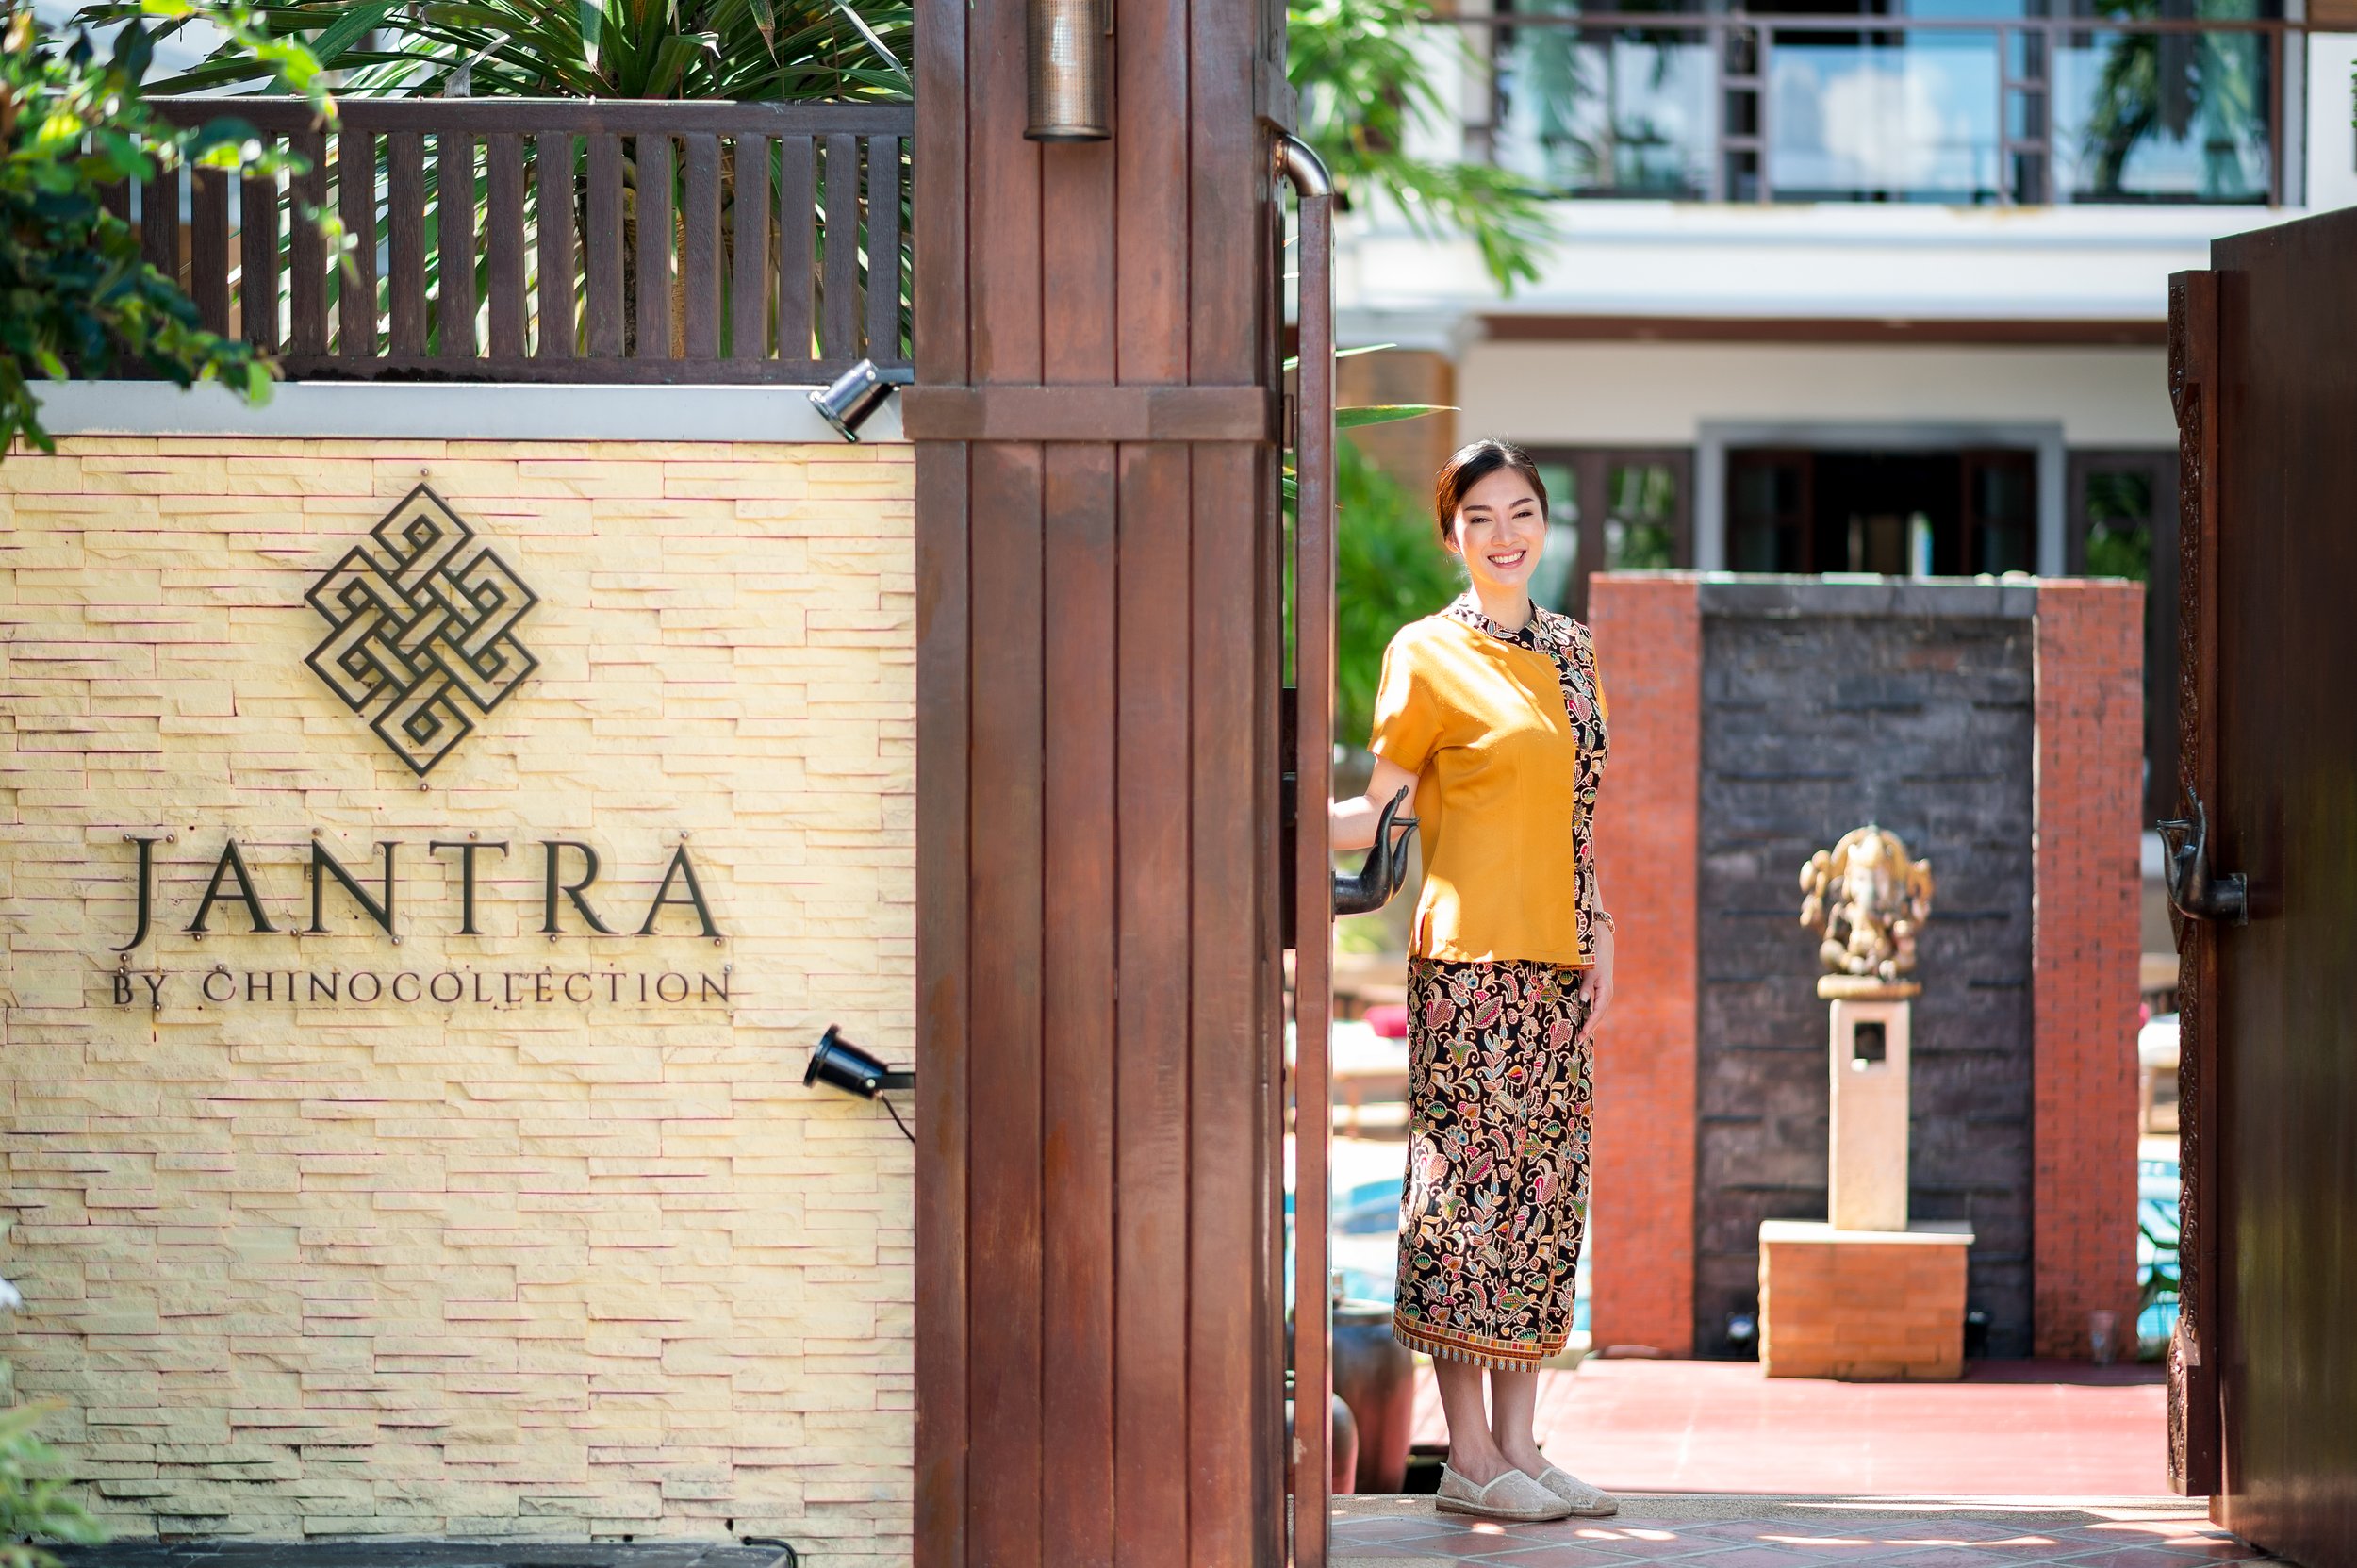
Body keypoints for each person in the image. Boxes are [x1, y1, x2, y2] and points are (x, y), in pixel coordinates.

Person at [1329, 438, 1617, 1524]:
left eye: (1522, 512)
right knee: (1464, 1205)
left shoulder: (1576, 652)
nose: (1505, 535)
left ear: (1546, 523)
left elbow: (1580, 819)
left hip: (1557, 963)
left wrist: (1603, 933)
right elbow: (1377, 806)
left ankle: (1517, 1449)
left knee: (1543, 1204)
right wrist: (1253, 814)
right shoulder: (1424, 652)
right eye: (1481, 517)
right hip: (1469, 968)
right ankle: (1469, 1459)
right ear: (1453, 534)